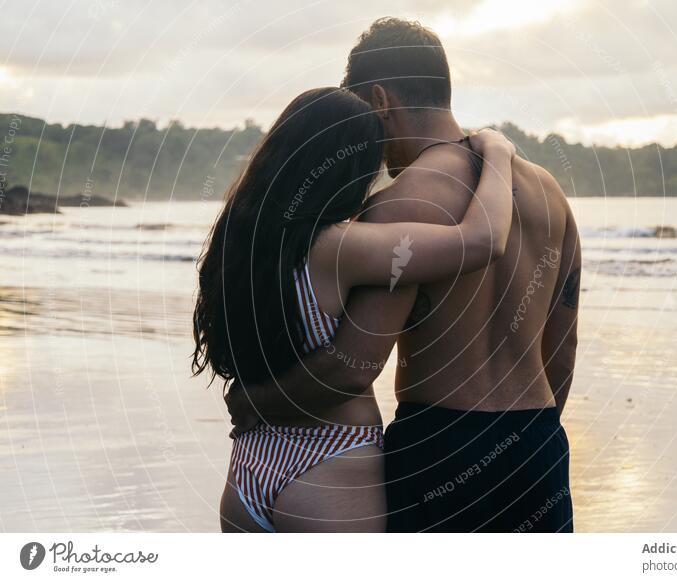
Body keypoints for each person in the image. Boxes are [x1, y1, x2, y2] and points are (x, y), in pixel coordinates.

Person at [227, 17, 581, 533]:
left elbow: (352, 367)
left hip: (440, 443)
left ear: (378, 100)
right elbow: (563, 344)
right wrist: (532, 438)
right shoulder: (549, 192)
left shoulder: (399, 207)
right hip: (538, 443)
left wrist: (256, 403)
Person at [192, 86, 517, 532]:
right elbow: (485, 240)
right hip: (330, 464)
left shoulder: (235, 243)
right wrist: (498, 152)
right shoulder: (339, 247)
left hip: (248, 469)